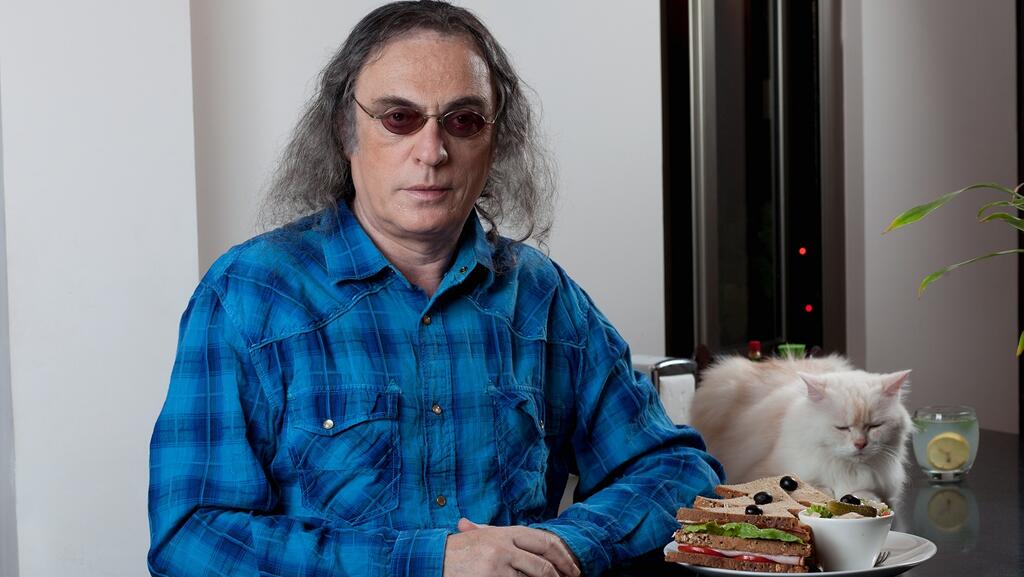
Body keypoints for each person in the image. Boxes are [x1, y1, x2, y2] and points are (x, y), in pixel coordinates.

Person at [147, 2, 724, 576]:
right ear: (346, 131)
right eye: (399, 117)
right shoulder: (250, 294)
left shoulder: (540, 296)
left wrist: (562, 546)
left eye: (463, 120)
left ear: (495, 141)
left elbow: (676, 471)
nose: (432, 151)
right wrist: (428, 561)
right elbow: (190, 536)